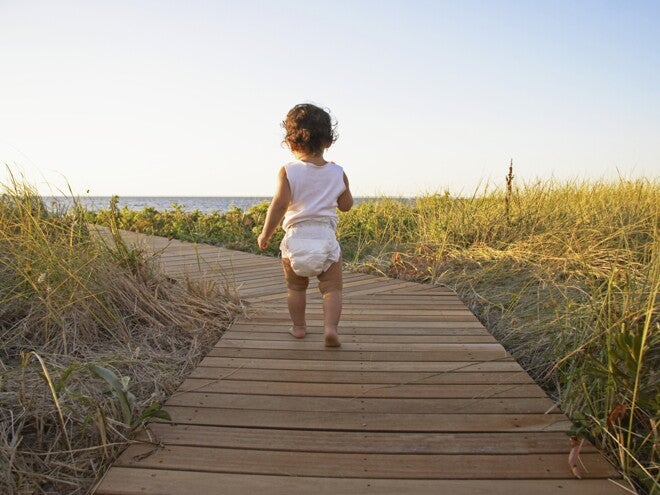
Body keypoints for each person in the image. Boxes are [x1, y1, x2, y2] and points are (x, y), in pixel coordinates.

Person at [257, 103, 353, 347]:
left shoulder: (288, 171)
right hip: (325, 238)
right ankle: (330, 328)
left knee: (296, 289)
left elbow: (279, 205)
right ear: (329, 141)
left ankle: (299, 328)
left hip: (296, 238)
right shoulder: (337, 172)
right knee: (332, 289)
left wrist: (265, 233)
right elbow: (346, 205)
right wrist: (342, 188)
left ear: (290, 142)